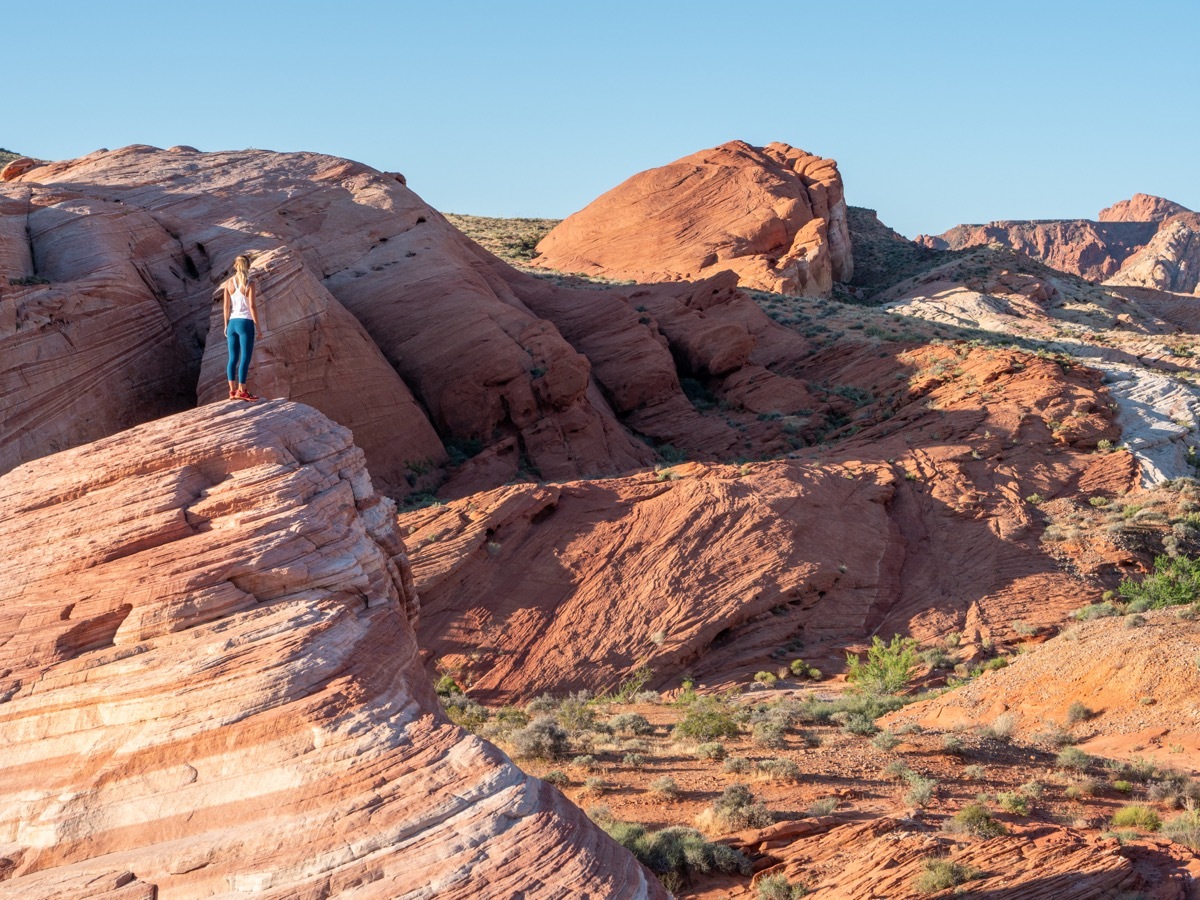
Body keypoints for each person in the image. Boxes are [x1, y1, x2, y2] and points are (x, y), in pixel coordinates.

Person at [223, 254, 263, 401]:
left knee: (232, 358)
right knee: (245, 358)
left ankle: (232, 391)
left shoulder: (228, 283)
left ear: (235, 266)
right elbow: (252, 306)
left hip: (232, 323)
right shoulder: (249, 283)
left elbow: (226, 306)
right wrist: (258, 327)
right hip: (245, 323)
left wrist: (226, 325)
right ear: (248, 266)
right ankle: (243, 390)